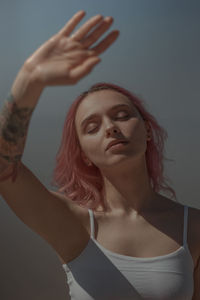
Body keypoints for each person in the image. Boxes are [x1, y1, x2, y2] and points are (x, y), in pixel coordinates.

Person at [0, 10, 199, 300]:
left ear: (146, 131)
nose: (110, 129)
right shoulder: (74, 224)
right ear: (84, 155)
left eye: (122, 115)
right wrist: (30, 79)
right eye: (92, 127)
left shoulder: (192, 227)